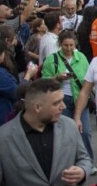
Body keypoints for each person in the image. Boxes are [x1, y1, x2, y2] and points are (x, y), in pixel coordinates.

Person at [0, 78, 93, 186]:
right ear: (37, 107)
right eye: (56, 103)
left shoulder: (69, 126)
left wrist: (82, 171)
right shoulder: (0, 139)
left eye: (62, 100)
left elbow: (84, 159)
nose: (63, 107)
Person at [40, 29, 93, 162]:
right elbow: (44, 82)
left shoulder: (81, 58)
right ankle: (67, 161)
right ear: (60, 44)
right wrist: (57, 78)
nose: (69, 48)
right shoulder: (51, 60)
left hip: (80, 99)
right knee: (64, 133)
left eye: (71, 45)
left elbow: (88, 78)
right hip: (61, 101)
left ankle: (87, 161)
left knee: (84, 132)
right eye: (65, 45)